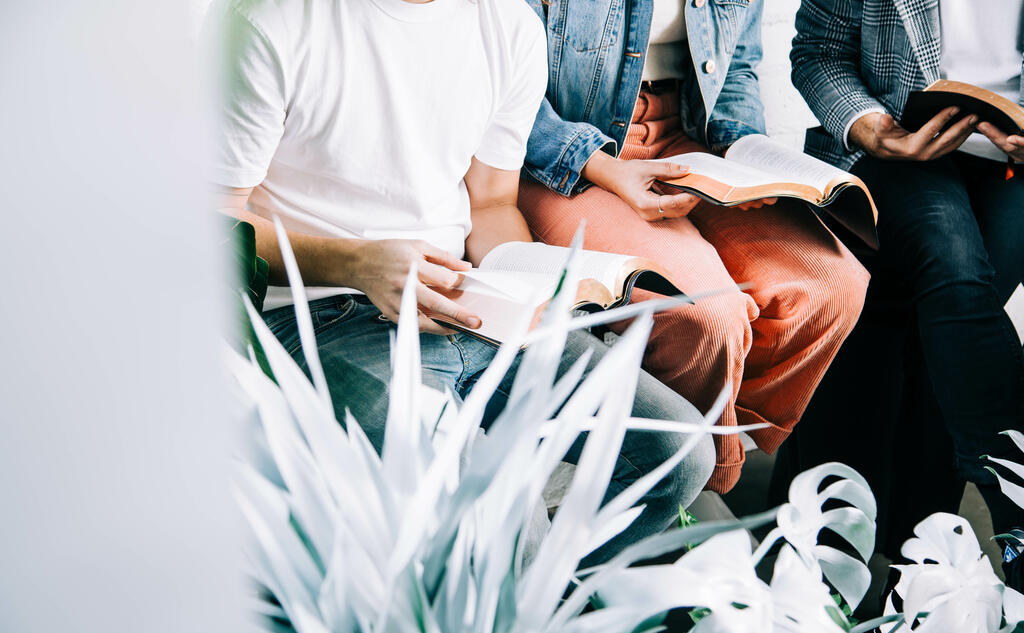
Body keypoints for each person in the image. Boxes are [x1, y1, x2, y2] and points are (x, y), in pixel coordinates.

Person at [207, 0, 716, 564]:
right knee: (500, 516)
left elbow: (493, 202)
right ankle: (492, 628)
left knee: (678, 450)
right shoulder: (270, 22)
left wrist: (530, 286)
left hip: (464, 299)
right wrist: (357, 264)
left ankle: (536, 614)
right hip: (322, 313)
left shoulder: (507, 25)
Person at [517, 0, 870, 494]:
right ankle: (696, 485)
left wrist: (744, 154)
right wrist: (609, 169)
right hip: (567, 155)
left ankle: (696, 457)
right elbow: (502, 85)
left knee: (831, 287)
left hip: (684, 136)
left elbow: (738, 67)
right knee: (707, 315)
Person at [788, 0, 1024, 564]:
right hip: (893, 151)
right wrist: (873, 130)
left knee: (943, 350)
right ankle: (1010, 498)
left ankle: (914, 571)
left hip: (1012, 168)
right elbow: (818, 54)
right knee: (954, 265)